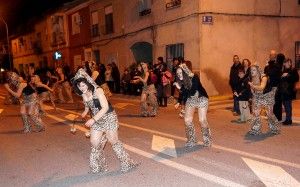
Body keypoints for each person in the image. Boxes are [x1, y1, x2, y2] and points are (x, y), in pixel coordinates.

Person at [71, 68, 139, 173]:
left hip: (109, 117)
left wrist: (93, 120)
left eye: (83, 85)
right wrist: (84, 113)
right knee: (94, 142)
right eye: (79, 86)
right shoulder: (84, 95)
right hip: (97, 120)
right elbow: (87, 107)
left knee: (113, 141)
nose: (82, 88)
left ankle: (127, 163)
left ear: (88, 83)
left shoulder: (98, 90)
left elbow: (105, 108)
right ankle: (100, 166)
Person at [174, 63, 212, 147]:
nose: (179, 75)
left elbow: (192, 91)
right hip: (191, 100)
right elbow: (183, 94)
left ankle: (207, 139)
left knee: (202, 120)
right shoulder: (182, 81)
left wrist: (181, 88)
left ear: (185, 72)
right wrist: (179, 102)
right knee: (187, 120)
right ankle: (192, 140)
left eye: (181, 73)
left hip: (201, 99)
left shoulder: (195, 77)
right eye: (178, 73)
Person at [248, 65, 280, 135]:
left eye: (253, 70)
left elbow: (262, 87)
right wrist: (252, 95)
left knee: (269, 114)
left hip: (267, 96)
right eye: (251, 70)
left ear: (258, 70)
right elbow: (253, 91)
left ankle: (275, 128)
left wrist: (253, 86)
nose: (252, 72)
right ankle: (255, 129)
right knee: (255, 113)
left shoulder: (264, 77)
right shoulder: (251, 78)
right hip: (258, 96)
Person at [280, 58, 299, 125]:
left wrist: (287, 75)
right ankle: (288, 119)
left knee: (288, 105)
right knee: (285, 104)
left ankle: (289, 120)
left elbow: (297, 78)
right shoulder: (283, 70)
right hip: (283, 90)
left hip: (289, 90)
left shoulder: (293, 70)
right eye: (287, 62)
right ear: (284, 63)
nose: (288, 64)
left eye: (289, 62)